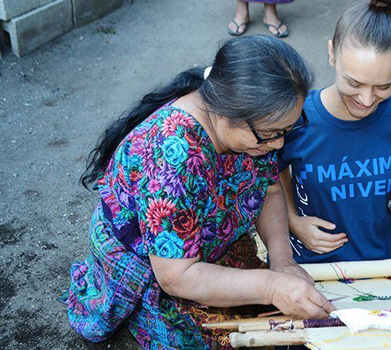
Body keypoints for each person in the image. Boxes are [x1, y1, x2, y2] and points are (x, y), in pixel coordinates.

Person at [64, 35, 335, 350]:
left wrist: (282, 259)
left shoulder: (249, 122)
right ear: (226, 111)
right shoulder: (173, 160)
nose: (278, 145)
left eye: (288, 129)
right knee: (217, 336)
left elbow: (270, 187)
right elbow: (176, 276)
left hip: (199, 242)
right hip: (155, 262)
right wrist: (271, 286)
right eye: (271, 135)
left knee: (259, 312)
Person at [279, 0, 391, 264]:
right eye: (353, 83)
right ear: (332, 53)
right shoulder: (297, 114)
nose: (367, 100)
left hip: (380, 262)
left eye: (384, 86)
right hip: (311, 264)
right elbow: (273, 171)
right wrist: (293, 220)